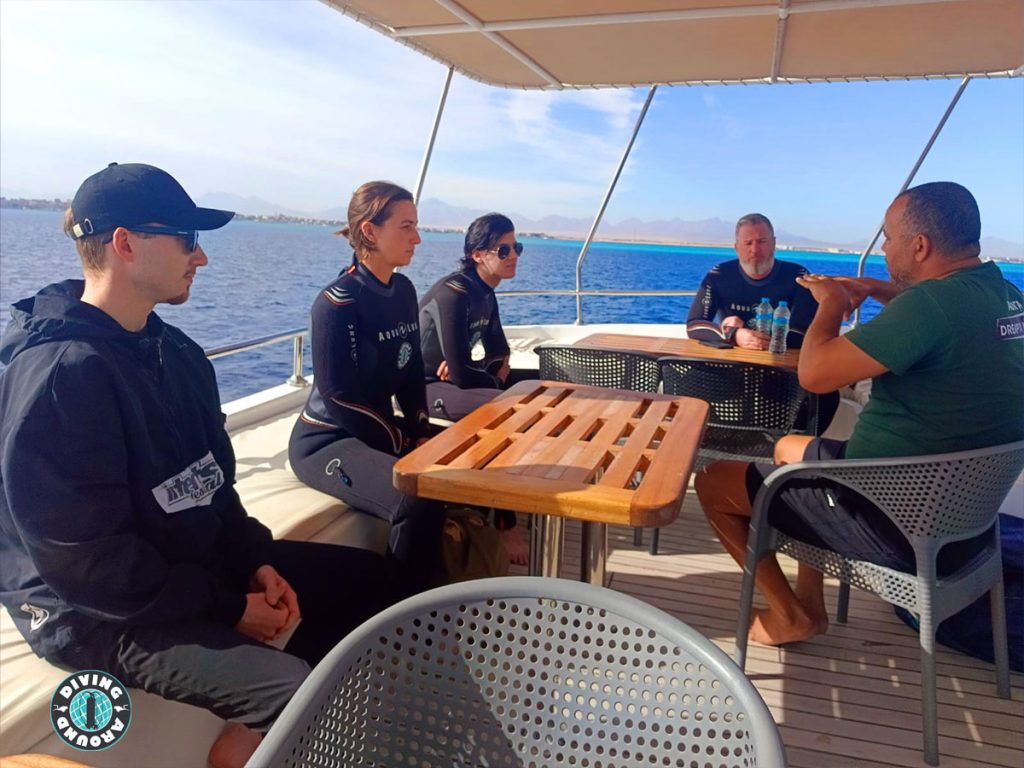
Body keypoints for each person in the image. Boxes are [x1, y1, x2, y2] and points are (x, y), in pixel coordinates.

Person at [0, 163, 391, 768]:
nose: (201, 257)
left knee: (381, 588)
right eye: (186, 237)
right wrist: (230, 606)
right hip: (89, 611)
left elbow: (214, 489)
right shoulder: (60, 379)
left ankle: (246, 739)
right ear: (126, 244)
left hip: (178, 568)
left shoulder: (176, 354)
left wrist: (255, 561)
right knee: (301, 692)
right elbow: (90, 566)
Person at [696, 181, 1024, 648]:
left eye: (888, 238)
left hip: (885, 514)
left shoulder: (928, 306)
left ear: (920, 245)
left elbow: (814, 374)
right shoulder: (1001, 294)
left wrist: (829, 305)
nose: (884, 248)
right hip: (961, 516)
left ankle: (791, 615)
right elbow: (933, 318)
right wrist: (874, 288)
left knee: (712, 481)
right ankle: (812, 604)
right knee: (790, 447)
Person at [288, 181, 445, 595]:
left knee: (467, 452)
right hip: (326, 441)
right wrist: (399, 440)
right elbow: (339, 397)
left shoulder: (404, 290)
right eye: (406, 227)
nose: (417, 238)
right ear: (370, 232)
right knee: (417, 498)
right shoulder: (337, 303)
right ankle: (402, 623)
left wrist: (420, 427)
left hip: (378, 428)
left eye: (416, 226)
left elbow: (410, 370)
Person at [417, 212, 539, 564]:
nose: (514, 255)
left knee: (540, 385)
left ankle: (526, 488)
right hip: (423, 387)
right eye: (504, 250)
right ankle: (504, 522)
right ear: (477, 255)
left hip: (453, 382)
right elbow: (461, 371)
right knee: (506, 410)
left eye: (517, 247)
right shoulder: (454, 293)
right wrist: (480, 374)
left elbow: (499, 352)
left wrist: (483, 371)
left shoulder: (486, 293)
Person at [687, 212, 837, 432]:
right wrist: (733, 335)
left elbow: (802, 332)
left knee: (826, 396)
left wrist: (748, 333)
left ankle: (787, 452)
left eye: (762, 242)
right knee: (683, 382)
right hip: (732, 371)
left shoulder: (797, 275)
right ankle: (714, 442)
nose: (755, 250)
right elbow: (694, 324)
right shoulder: (719, 275)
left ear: (774, 243)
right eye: (747, 243)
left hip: (780, 374)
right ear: (736, 247)